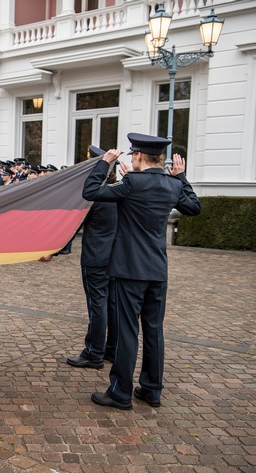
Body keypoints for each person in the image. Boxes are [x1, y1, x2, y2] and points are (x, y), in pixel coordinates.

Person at [82, 133, 201, 410]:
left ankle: (120, 392)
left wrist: (104, 163)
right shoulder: (172, 184)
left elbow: (90, 192)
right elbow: (194, 207)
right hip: (158, 270)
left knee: (126, 332)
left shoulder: (131, 183)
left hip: (129, 270)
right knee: (154, 330)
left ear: (137, 156)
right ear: (161, 159)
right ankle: (151, 389)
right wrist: (181, 178)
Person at [62, 145, 118, 370]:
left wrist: (53, 250)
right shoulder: (117, 190)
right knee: (112, 304)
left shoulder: (93, 195)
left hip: (95, 257)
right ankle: (111, 350)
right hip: (115, 258)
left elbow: (72, 227)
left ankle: (94, 352)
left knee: (98, 305)